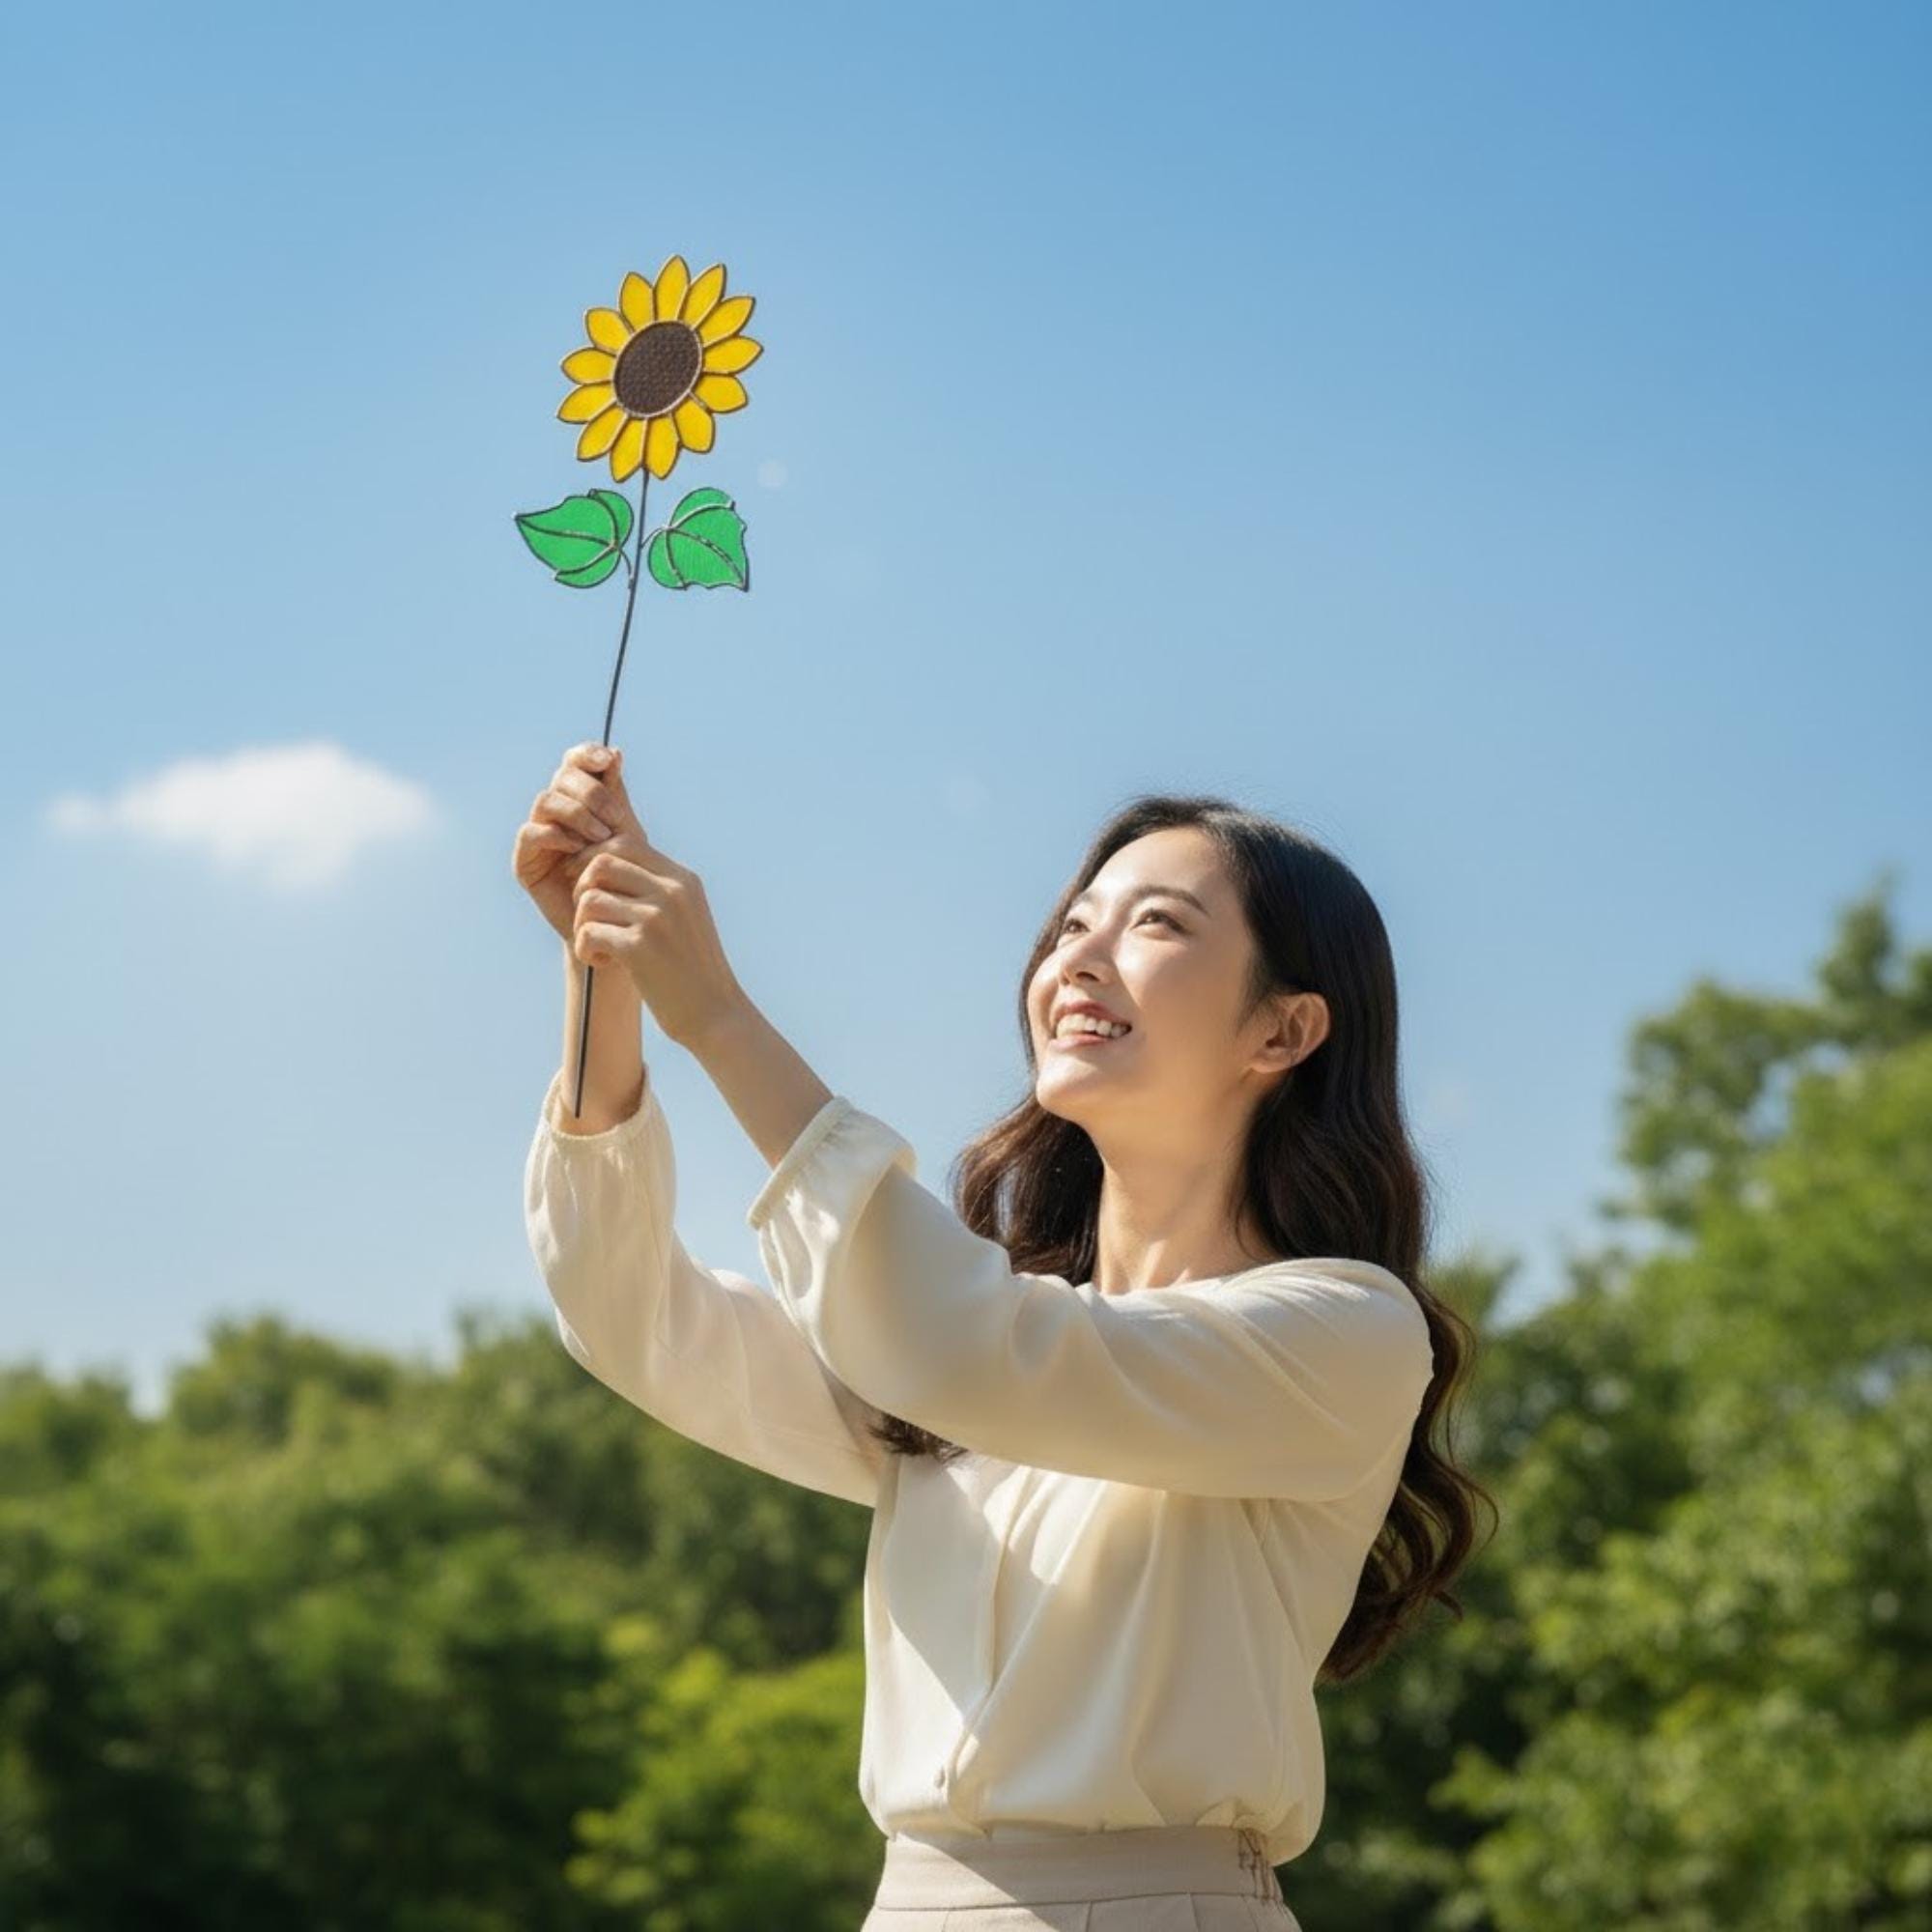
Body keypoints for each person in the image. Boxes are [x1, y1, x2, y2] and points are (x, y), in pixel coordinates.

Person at [514, 741, 1491, 1930]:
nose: (1079, 953)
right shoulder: (969, 1347)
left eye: (1157, 925)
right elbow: (635, 1318)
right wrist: (604, 984)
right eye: (1073, 921)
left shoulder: (1343, 1333)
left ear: (1281, 1033)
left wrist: (714, 1012)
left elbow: (966, 1346)